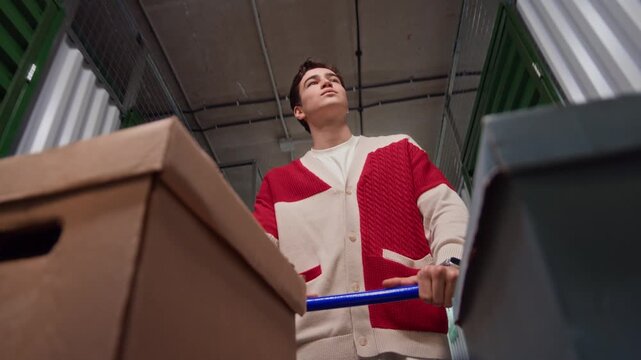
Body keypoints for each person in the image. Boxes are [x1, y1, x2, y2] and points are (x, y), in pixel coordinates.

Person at [253, 60, 468, 360]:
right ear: (298, 110)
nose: (327, 83)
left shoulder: (400, 149)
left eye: (333, 79)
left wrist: (452, 261)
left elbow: (446, 210)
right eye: (312, 83)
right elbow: (256, 252)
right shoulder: (278, 184)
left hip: (414, 342)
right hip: (316, 348)